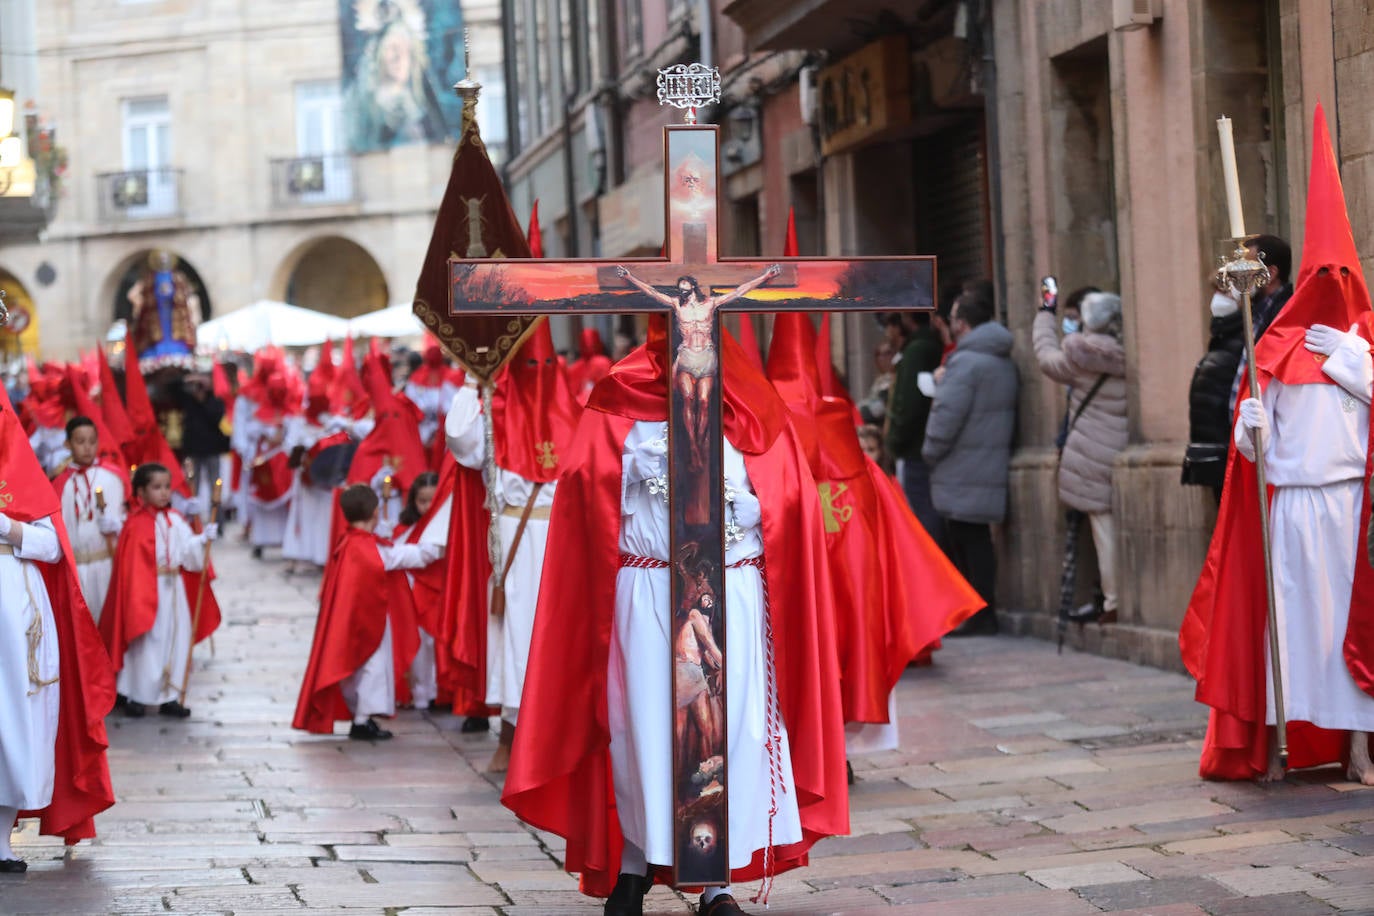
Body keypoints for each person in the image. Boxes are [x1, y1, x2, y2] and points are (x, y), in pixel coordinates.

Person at [502, 317, 848, 916]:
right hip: (648, 592)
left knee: (728, 735)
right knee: (644, 729)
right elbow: (582, 482)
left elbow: (791, 496)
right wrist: (628, 470)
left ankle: (716, 883)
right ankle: (633, 868)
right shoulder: (620, 398)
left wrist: (742, 500)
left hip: (732, 599)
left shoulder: (754, 408)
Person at [1182, 105, 1374, 785]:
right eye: (1319, 280)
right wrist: (1249, 430)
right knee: (1291, 629)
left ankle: (1357, 747)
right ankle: (1278, 743)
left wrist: (1355, 367)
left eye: (1339, 280)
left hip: (1350, 507)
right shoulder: (1275, 347)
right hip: (1292, 506)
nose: (1328, 293)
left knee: (1351, 636)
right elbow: (1255, 444)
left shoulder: (1362, 349)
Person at [445, 322, 579, 771]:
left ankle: (559, 735)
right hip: (517, 550)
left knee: (560, 638)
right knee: (514, 638)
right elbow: (460, 442)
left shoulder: (576, 417)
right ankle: (512, 737)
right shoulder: (496, 415)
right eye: (531, 368)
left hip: (562, 546)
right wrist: (473, 378)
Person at [0, 386, 116, 870]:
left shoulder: (25, 481)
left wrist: (8, 528)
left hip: (18, 619)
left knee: (15, 727)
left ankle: (1, 841)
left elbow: (51, 546)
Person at [293, 484, 437, 740]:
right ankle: (362, 721)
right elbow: (402, 557)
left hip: (350, 621)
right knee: (372, 668)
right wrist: (433, 548)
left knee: (357, 672)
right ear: (375, 514)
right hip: (371, 623)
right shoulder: (370, 549)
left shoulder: (348, 542)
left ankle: (362, 717)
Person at [615, 264, 782, 470]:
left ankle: (701, 443)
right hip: (686, 358)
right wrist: (630, 278)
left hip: (706, 359)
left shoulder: (710, 304)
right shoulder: (677, 305)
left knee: (704, 402)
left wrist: (765, 276)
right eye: (681, 289)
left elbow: (739, 291)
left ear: (693, 288)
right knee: (687, 399)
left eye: (686, 288)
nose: (683, 292)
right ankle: (692, 445)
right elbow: (652, 292)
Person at [921, 287, 1018, 635]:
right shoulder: (999, 358)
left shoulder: (965, 362)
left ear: (961, 324)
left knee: (967, 539)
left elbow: (946, 416)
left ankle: (978, 612)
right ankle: (981, 611)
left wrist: (929, 450)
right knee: (975, 538)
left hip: (963, 465)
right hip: (984, 462)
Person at [1034, 290, 1128, 626]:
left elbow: (1046, 356)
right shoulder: (1128, 355)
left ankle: (1113, 599)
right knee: (1110, 529)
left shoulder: (1080, 356)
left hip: (1088, 453)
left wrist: (1046, 313)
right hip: (1120, 447)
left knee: (1103, 530)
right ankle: (1114, 597)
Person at [99, 463, 220, 719]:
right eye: (157, 487)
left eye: (167, 487)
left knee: (175, 640)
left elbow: (188, 553)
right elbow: (130, 566)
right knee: (146, 643)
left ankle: (170, 694)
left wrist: (202, 539)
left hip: (173, 591)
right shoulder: (135, 524)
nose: (164, 492)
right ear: (141, 492)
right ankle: (138, 694)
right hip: (145, 592)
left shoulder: (175, 519)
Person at [51, 416, 126, 622]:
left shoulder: (113, 478)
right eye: (80, 441)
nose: (87, 448)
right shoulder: (59, 484)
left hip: (106, 563)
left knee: (109, 624)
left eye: (92, 441)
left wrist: (118, 525)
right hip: (76, 568)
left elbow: (130, 518)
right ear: (67, 444)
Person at [885, 310, 948, 547]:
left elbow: (909, 404)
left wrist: (896, 440)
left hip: (914, 450)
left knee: (922, 518)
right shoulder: (924, 347)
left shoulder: (918, 350)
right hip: (922, 446)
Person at [1184, 278, 1247, 502]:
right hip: (1218, 453)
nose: (1219, 300)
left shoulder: (1240, 339)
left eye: (1226, 293)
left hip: (1231, 452)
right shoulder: (1223, 337)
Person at [394, 470, 447, 711]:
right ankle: (420, 693)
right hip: (411, 591)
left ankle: (439, 691)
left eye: (431, 501)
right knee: (417, 646)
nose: (426, 507)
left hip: (438, 593)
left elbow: (430, 553)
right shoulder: (406, 526)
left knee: (435, 644)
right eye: (421, 501)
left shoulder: (445, 525)